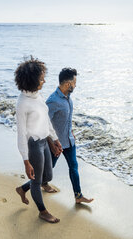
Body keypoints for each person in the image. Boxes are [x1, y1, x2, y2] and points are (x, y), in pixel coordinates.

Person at [15, 57, 62, 223]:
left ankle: (22, 188)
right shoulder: (22, 104)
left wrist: (54, 139)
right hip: (33, 145)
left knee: (47, 176)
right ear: (32, 79)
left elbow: (46, 120)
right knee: (37, 180)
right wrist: (26, 161)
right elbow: (21, 134)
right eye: (42, 78)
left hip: (44, 141)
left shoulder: (38, 96)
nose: (44, 80)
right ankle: (42, 211)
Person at [43, 68, 94, 204]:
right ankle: (27, 187)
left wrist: (70, 132)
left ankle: (78, 195)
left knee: (74, 167)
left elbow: (67, 119)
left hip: (69, 141)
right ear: (68, 84)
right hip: (56, 143)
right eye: (74, 82)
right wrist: (52, 143)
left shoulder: (68, 99)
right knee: (48, 169)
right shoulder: (53, 101)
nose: (76, 85)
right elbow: (44, 123)